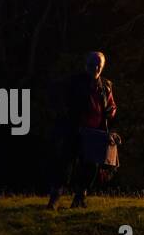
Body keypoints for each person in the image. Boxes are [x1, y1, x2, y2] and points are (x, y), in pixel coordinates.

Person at [47, 51, 116, 210]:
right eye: (92, 64)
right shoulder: (74, 82)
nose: (95, 67)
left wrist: (111, 112)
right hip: (74, 130)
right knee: (65, 165)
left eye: (98, 64)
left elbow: (112, 105)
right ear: (86, 65)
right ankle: (55, 199)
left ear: (102, 66)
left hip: (94, 133)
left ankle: (79, 199)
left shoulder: (106, 85)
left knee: (90, 168)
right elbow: (59, 99)